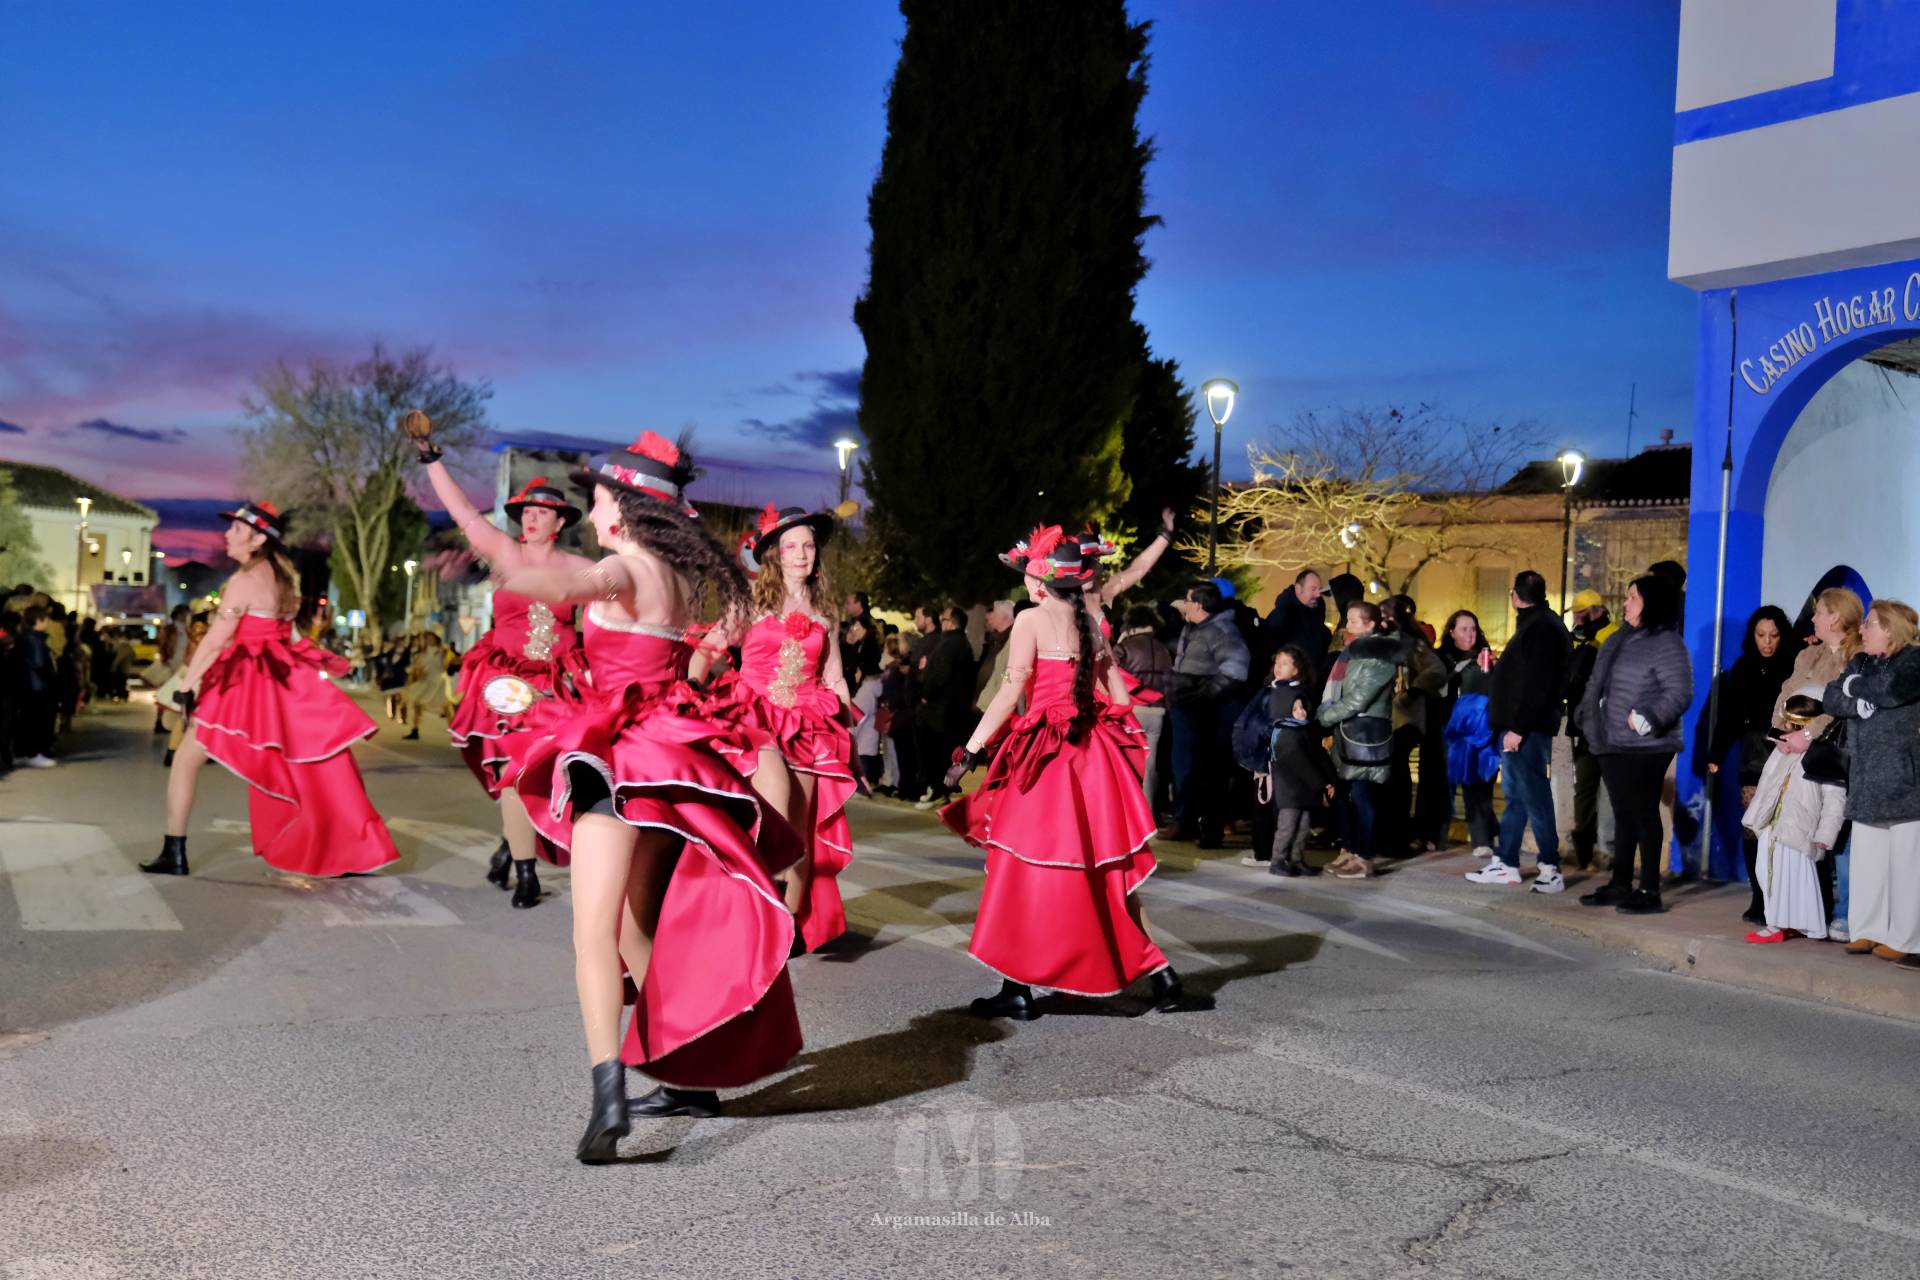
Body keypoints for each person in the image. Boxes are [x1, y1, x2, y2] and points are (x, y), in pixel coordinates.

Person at [505, 432, 805, 1156]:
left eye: (598, 499)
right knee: (639, 930)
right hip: (668, 769)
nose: (591, 512)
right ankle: (689, 1074)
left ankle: (607, 1095)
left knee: (594, 936)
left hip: (616, 764)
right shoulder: (679, 575)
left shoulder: (623, 568)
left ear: (627, 508)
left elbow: (556, 589)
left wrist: (476, 528)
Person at [941, 526, 1206, 1017]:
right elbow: (1117, 694)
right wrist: (1112, 730)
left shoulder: (1031, 619)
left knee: (1023, 869)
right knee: (1104, 874)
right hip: (1091, 756)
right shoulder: (1090, 622)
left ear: (1040, 582)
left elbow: (1010, 691)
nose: (1025, 583)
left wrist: (970, 751)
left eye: (1027, 575)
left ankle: (1018, 988)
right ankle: (1161, 975)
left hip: (1047, 760)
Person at [141, 502, 398, 879]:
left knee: (185, 760)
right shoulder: (285, 577)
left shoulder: (243, 582)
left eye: (236, 529)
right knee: (313, 761)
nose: (227, 535)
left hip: (246, 679)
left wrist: (186, 685)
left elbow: (215, 641)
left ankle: (174, 852)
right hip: (282, 675)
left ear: (258, 539)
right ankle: (349, 845)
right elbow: (288, 634)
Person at [415, 440, 595, 909]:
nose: (531, 518)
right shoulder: (503, 553)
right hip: (508, 683)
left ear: (560, 522)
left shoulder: (582, 569)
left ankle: (508, 847)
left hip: (559, 686)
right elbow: (463, 513)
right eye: (526, 512)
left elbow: (623, 601)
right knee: (514, 772)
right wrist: (433, 462)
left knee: (552, 774)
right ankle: (526, 875)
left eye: (541, 512)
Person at [702, 502, 856, 953]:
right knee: (763, 813)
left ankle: (788, 921)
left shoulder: (826, 609)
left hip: (808, 723)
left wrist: (847, 733)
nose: (802, 554)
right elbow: (708, 648)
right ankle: (748, 907)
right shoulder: (751, 600)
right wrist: (693, 688)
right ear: (775, 553)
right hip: (754, 717)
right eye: (792, 547)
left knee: (798, 828)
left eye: (809, 546)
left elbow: (835, 678)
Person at [1574, 574, 1694, 914]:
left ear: (1650, 603)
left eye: (1632, 597)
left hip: (1647, 744)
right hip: (1610, 741)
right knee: (1623, 813)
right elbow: (1596, 683)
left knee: (1643, 812)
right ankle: (1620, 883)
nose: (1625, 603)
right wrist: (1586, 717)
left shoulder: (1666, 642)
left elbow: (1679, 691)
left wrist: (1647, 717)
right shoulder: (1617, 638)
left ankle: (1649, 890)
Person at [1822, 599, 1920, 968]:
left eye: (1870, 623)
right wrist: (1855, 701)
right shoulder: (1862, 661)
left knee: (1907, 868)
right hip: (1865, 778)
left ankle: (1907, 938)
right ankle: (1869, 929)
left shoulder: (1914, 660)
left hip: (1904, 781)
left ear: (1890, 629)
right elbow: (1831, 697)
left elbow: (1891, 690)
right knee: (1869, 864)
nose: (1862, 629)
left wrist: (1854, 686)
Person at [1469, 571, 1572, 893]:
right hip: (1523, 726)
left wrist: (1518, 728)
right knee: (1518, 796)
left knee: (1534, 795)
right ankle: (1506, 861)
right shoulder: (1540, 625)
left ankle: (1550, 866)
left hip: (1526, 729)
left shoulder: (1540, 628)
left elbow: (1538, 684)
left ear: (1515, 596)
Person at [1771, 588, 1863, 940]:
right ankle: (1815, 909)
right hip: (1800, 757)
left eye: (1819, 612)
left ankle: (1846, 913)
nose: (1813, 618)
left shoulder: (1859, 658)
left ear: (1835, 617)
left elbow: (1839, 706)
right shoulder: (1808, 655)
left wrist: (1808, 734)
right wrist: (1782, 729)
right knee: (1810, 834)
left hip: (1842, 756)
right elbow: (1786, 694)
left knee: (1840, 834)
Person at [1703, 606, 1800, 924]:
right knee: (1753, 827)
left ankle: (1783, 899)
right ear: (1752, 636)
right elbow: (1729, 714)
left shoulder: (1794, 664)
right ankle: (1759, 897)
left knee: (1784, 828)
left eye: (1773, 635)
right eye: (1761, 635)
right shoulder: (1744, 667)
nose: (1767, 642)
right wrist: (1716, 754)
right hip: (1753, 753)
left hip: (1787, 752)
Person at [1739, 690, 1843, 943]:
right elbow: (1766, 782)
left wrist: (1826, 834)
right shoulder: (1782, 751)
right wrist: (1755, 816)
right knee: (1767, 872)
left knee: (1796, 878)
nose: (1786, 729)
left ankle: (1793, 924)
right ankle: (1777, 921)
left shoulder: (1824, 755)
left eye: (1792, 725)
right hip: (1772, 825)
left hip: (1799, 829)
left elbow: (1835, 799)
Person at [1317, 600, 1401, 878]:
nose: (1347, 624)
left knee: (1363, 795)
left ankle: (1364, 856)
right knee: (1342, 794)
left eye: (1353, 620)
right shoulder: (1353, 651)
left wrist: (1325, 717)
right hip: (1346, 730)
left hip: (1364, 734)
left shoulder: (1380, 656)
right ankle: (1350, 849)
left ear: (1370, 624)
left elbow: (1359, 698)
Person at [1167, 579, 1250, 847]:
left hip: (1210, 715)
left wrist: (1203, 694)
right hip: (1189, 711)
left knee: (1212, 773)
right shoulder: (1193, 628)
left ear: (1200, 605)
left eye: (1188, 600)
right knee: (1187, 769)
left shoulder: (1223, 631)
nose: (1185, 605)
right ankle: (1187, 822)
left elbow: (1236, 671)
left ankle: (1211, 829)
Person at [1258, 645, 1335, 877]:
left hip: (1304, 785)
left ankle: (1296, 858)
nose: (1301, 712)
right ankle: (1278, 859)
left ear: (1297, 669)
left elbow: (1314, 752)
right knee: (1288, 823)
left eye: (1284, 663)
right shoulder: (1286, 731)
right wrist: (1320, 782)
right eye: (1277, 663)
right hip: (1290, 783)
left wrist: (1326, 779)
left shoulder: (1301, 723)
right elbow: (1297, 758)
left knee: (1303, 824)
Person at [1438, 610, 1500, 859]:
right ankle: (1440, 836)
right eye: (1464, 629)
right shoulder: (1442, 659)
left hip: (1481, 730)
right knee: (1453, 784)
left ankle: (1483, 837)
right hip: (1452, 731)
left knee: (1479, 783)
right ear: (1451, 631)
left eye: (1473, 629)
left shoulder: (1486, 659)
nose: (1470, 634)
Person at [1564, 589, 1619, 869]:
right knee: (1584, 788)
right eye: (1575, 614)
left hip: (1608, 727)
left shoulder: (1614, 636)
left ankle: (1606, 849)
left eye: (1582, 613)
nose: (1577, 619)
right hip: (1583, 726)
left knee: (1608, 790)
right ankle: (1582, 848)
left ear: (1597, 610)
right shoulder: (1576, 639)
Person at [913, 606, 977, 810]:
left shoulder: (951, 644)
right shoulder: (956, 643)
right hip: (947, 710)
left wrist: (926, 694)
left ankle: (937, 792)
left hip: (939, 711)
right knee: (939, 753)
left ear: (952, 623)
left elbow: (940, 675)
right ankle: (937, 791)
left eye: (944, 619)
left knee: (935, 754)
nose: (941, 621)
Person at [1114, 604, 1174, 815]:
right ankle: (1147, 812)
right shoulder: (1163, 649)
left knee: (1128, 762)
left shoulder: (1125, 647)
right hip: (1158, 711)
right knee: (1150, 765)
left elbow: (1111, 674)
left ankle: (1130, 813)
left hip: (1132, 710)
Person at [1262, 569, 1332, 674]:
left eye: (1319, 589)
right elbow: (1266, 651)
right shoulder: (1282, 615)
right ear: (1298, 589)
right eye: (1313, 589)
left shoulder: (1318, 616)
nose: (1318, 594)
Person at [402, 632, 452, 741]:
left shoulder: (443, 651)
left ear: (436, 638)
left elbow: (449, 665)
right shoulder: (422, 653)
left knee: (446, 707)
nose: (429, 640)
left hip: (439, 681)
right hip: (425, 681)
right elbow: (417, 667)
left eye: (431, 638)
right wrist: (416, 672)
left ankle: (455, 731)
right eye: (427, 638)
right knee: (416, 704)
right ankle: (414, 730)